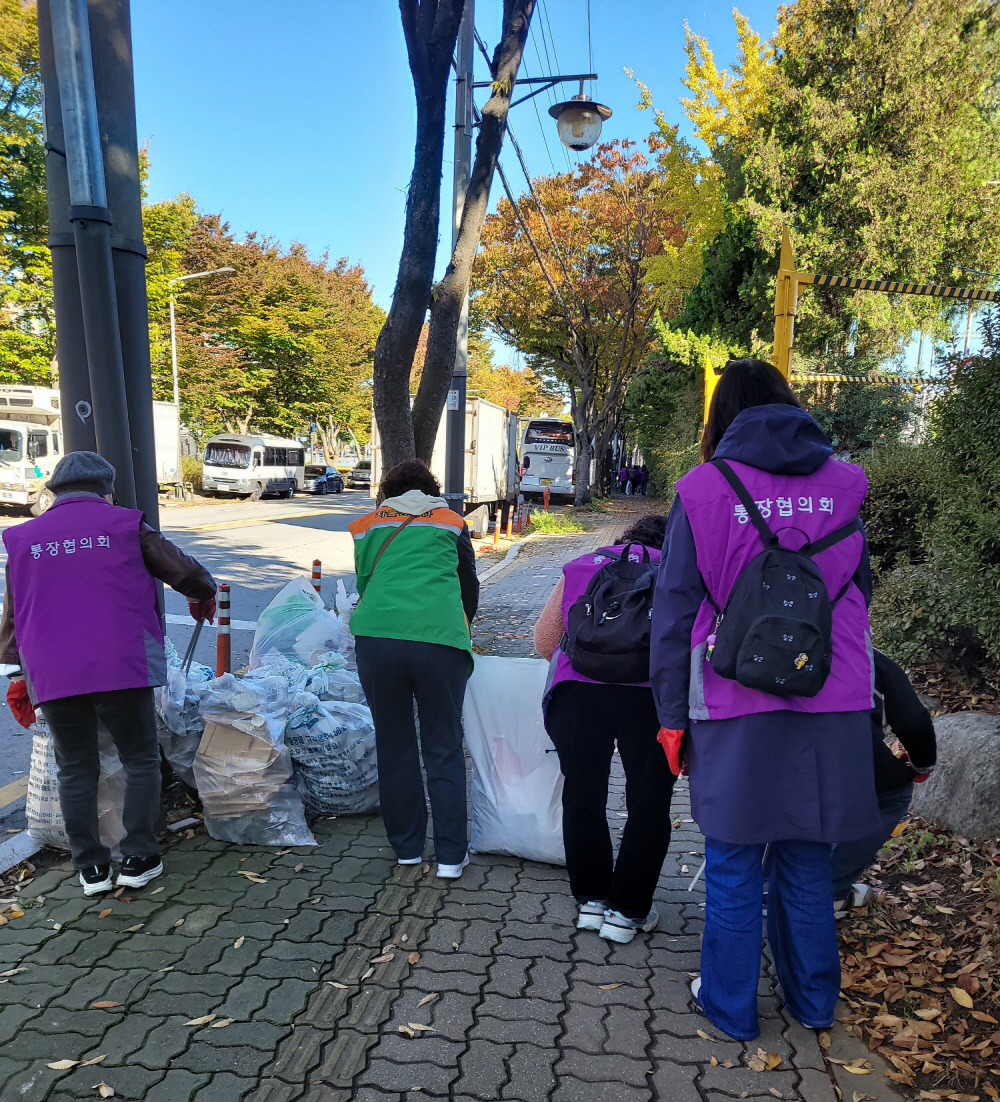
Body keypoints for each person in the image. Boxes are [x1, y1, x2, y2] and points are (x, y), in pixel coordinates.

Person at [651, 358, 880, 1042]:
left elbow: (673, 612)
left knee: (732, 862)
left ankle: (730, 1007)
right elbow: (862, 588)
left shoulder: (701, 490)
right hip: (833, 696)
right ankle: (814, 1004)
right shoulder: (847, 484)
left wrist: (668, 717)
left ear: (722, 418)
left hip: (731, 698)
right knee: (807, 858)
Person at [0, 451, 216, 896]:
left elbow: (12, 613)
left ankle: (91, 869)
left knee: (75, 767)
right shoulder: (126, 524)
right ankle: (138, 856)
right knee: (140, 758)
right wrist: (203, 593)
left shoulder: (22, 539)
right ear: (106, 489)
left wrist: (15, 674)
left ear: (54, 490)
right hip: (121, 665)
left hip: (53, 672)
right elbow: (184, 571)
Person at [534, 514, 676, 943]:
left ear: (625, 539)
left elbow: (544, 640)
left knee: (583, 793)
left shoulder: (584, 565)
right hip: (650, 699)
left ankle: (592, 901)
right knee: (649, 802)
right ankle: (627, 911)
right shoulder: (678, 573)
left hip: (578, 695)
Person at [348, 459, 479, 879]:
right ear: (432, 489)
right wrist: (459, 627)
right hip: (439, 642)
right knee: (443, 744)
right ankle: (451, 858)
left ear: (388, 491)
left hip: (377, 639)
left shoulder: (369, 524)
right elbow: (468, 584)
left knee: (394, 742)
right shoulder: (450, 522)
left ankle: (406, 849)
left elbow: (365, 581)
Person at [831, 649, 936, 915]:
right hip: (850, 758)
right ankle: (831, 890)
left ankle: (767, 884)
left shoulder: (754, 645)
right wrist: (921, 765)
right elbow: (914, 722)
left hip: (770, 762)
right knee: (893, 796)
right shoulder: (866, 655)